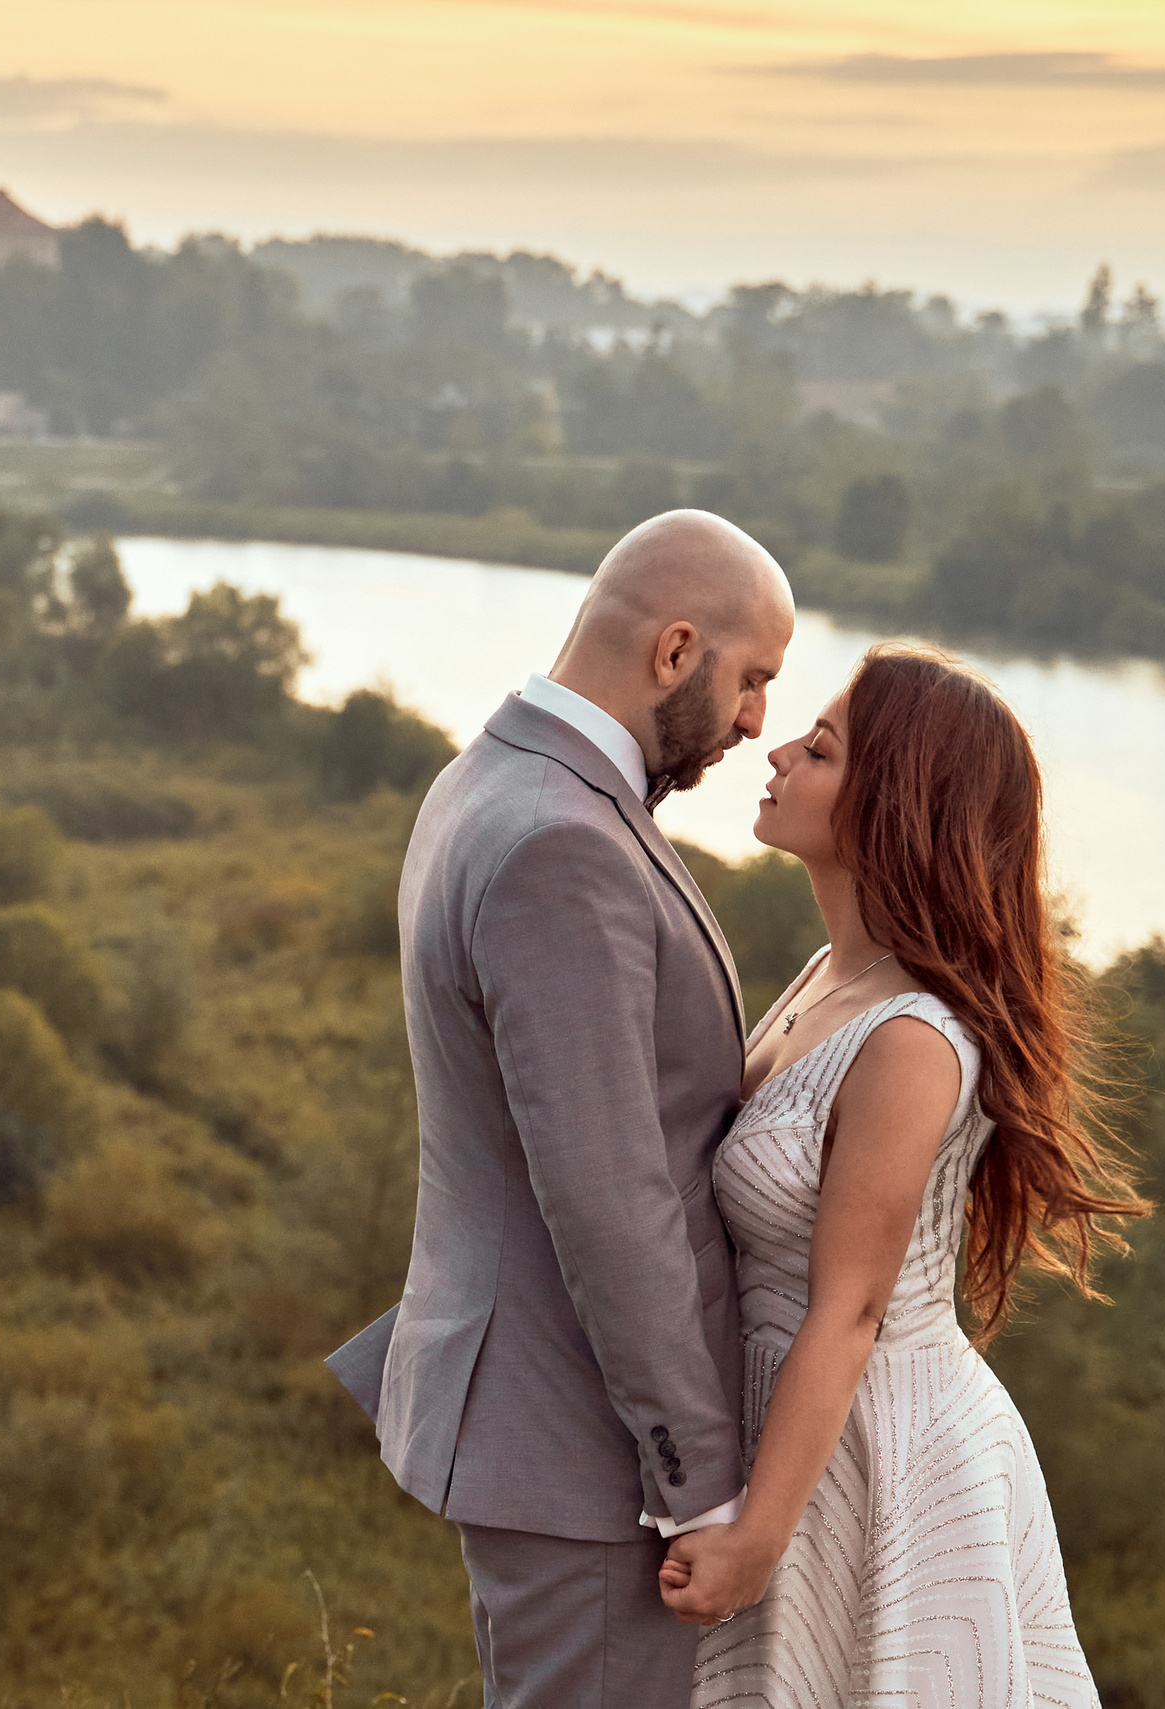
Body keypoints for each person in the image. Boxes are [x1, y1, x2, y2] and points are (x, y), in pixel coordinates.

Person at [325, 510, 798, 1709]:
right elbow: (607, 1197)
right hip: (590, 1450)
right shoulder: (561, 841)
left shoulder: (493, 775)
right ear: (674, 649)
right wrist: (698, 1481)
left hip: (549, 1421)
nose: (756, 720)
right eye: (751, 679)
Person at [659, 642, 1148, 1708]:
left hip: (873, 1457)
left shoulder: (911, 1039)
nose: (777, 749)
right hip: (795, 1425)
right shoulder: (827, 975)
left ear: (895, 804)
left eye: (821, 748)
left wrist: (757, 1540)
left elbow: (852, 1306)